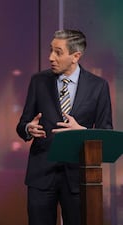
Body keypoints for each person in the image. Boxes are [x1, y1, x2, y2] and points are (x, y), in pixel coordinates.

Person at [16, 29, 113, 225]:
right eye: (51, 50)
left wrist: (83, 133)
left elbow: (106, 133)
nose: (51, 57)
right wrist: (28, 128)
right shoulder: (38, 81)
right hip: (41, 174)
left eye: (58, 52)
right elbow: (22, 124)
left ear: (76, 56)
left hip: (78, 176)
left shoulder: (98, 86)